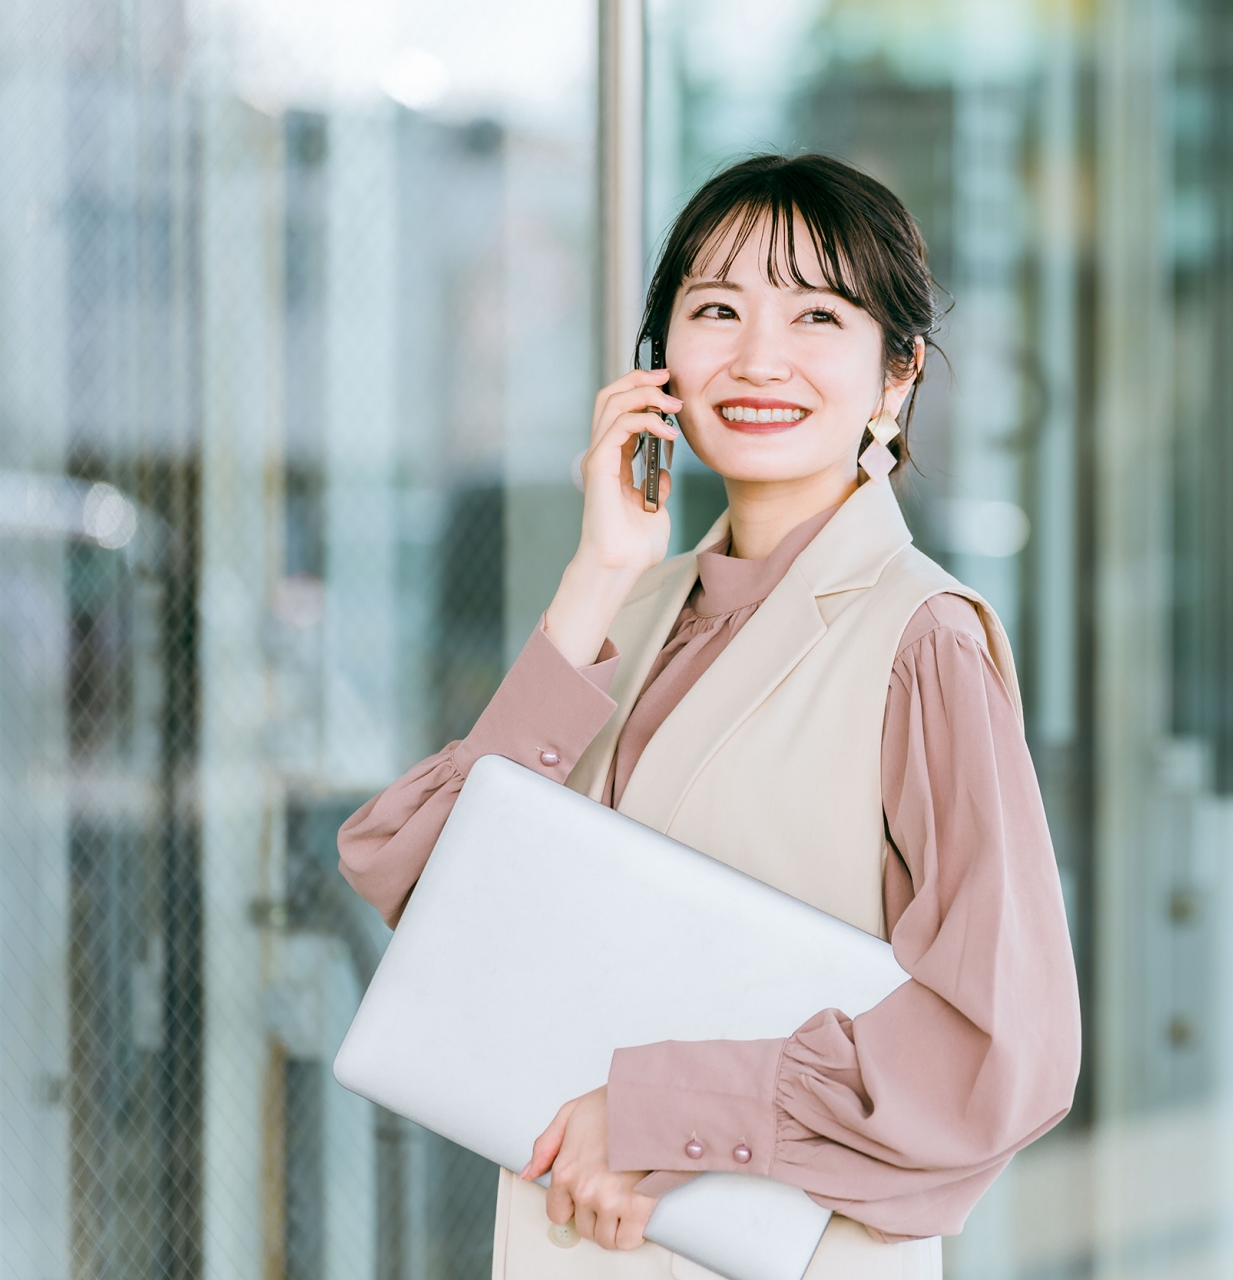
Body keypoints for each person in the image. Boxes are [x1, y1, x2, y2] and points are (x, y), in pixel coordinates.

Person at [337, 153, 1081, 1280]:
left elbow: (1004, 1040)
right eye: (716, 309)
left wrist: (665, 1108)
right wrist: (596, 573)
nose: (757, 357)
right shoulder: (633, 608)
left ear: (897, 375)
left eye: (818, 314)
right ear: (660, 363)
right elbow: (416, 878)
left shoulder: (921, 637)